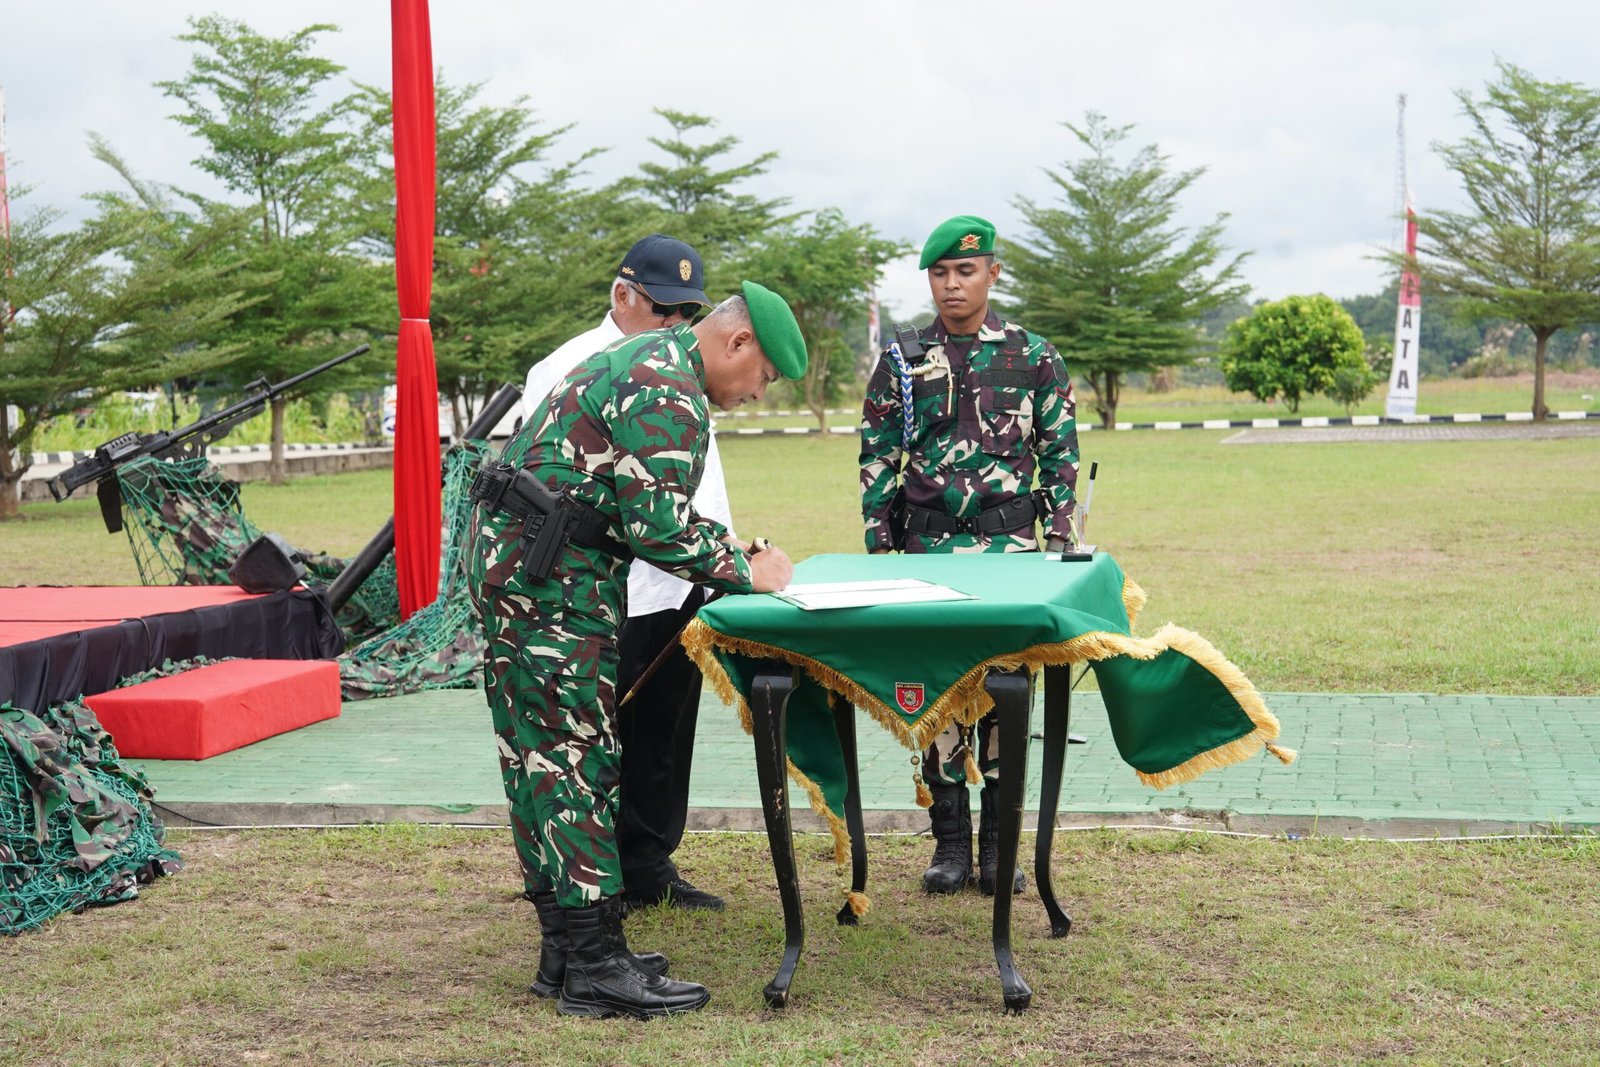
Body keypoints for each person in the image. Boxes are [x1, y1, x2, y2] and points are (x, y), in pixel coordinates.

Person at [469, 282, 807, 1020]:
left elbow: (639, 508)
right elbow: (660, 530)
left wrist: (724, 553)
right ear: (737, 344)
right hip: (549, 579)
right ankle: (595, 964)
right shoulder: (669, 387)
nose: (758, 393)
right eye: (764, 378)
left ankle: (565, 946)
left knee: (538, 756)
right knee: (576, 758)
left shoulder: (647, 357)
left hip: (521, 563)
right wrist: (749, 569)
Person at [858, 214, 1079, 896]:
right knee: (937, 696)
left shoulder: (1032, 355)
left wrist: (1061, 539)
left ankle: (998, 850)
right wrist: (881, 550)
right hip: (926, 549)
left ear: (992, 273)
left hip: (1009, 549)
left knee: (1007, 692)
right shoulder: (900, 355)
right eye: (940, 273)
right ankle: (950, 843)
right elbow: (876, 457)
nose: (952, 285)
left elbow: (1060, 453)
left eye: (965, 271)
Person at [521, 235, 732, 914]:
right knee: (590, 738)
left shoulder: (685, 369)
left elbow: (699, 483)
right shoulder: (563, 365)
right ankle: (589, 880)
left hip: (679, 581)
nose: (673, 325)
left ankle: (649, 860)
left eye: (685, 313)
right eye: (662, 309)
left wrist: (720, 563)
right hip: (594, 588)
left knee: (664, 735)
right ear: (622, 296)